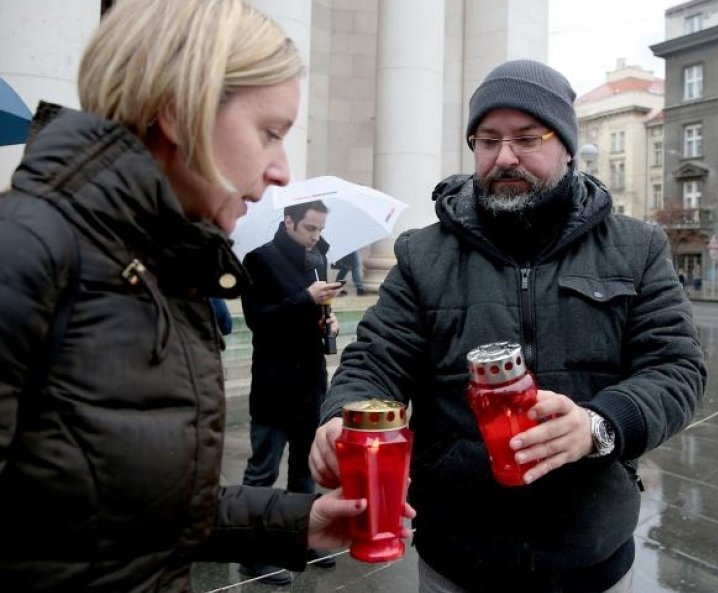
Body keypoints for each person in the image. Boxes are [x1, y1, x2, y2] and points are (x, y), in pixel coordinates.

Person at [0, 1, 410, 591]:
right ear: (178, 110)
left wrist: (295, 524)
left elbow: (138, 509)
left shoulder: (164, 268)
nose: (281, 172)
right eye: (269, 133)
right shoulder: (25, 253)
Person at [310, 59, 706, 593]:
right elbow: (374, 360)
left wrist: (598, 426)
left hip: (591, 555)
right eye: (487, 140)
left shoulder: (636, 247)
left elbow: (676, 368)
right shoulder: (425, 254)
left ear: (566, 144)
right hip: (458, 558)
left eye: (526, 138)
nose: (505, 157)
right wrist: (340, 418)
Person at [238, 199, 342, 583]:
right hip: (274, 382)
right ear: (288, 222)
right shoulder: (259, 259)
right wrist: (305, 299)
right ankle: (254, 552)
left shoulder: (317, 259)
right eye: (310, 228)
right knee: (263, 470)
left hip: (309, 381)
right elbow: (258, 321)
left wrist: (325, 323)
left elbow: (308, 316)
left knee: (304, 470)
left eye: (320, 229)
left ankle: (303, 537)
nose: (317, 236)